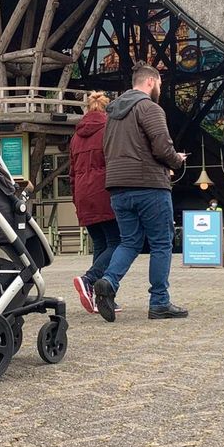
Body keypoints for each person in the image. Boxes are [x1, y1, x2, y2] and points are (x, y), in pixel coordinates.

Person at [90, 65, 189, 322]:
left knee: (129, 242)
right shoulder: (149, 108)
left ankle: (109, 281)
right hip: (149, 186)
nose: (160, 89)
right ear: (151, 82)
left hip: (118, 188)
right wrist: (176, 160)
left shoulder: (113, 115)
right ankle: (159, 302)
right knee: (161, 243)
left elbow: (106, 149)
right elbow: (162, 147)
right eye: (160, 84)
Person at [69, 91, 121, 315]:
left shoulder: (76, 136)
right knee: (119, 242)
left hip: (83, 194)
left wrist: (76, 199)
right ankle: (89, 280)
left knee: (100, 244)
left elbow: (72, 173)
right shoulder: (109, 130)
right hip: (104, 193)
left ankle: (100, 298)